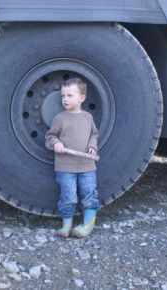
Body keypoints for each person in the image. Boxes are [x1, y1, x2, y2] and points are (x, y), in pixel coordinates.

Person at [45, 78, 99, 238]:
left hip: (87, 166)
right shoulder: (60, 118)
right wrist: (56, 143)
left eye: (69, 95)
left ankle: (87, 225)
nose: (65, 99)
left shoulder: (88, 117)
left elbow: (94, 134)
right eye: (63, 96)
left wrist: (92, 145)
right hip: (65, 167)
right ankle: (66, 226)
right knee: (68, 196)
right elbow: (50, 136)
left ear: (82, 98)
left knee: (89, 194)